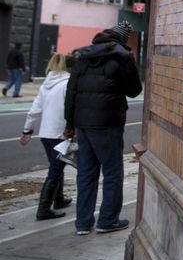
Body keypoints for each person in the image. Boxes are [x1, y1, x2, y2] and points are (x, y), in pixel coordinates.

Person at [64, 21, 142, 235]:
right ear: (122, 39)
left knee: (86, 173)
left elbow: (71, 92)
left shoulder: (82, 55)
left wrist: (69, 124)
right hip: (108, 122)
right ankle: (107, 220)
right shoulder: (122, 56)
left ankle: (82, 223)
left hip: (83, 123)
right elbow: (135, 90)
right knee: (112, 171)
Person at [20, 53, 73, 220]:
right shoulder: (68, 83)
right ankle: (43, 209)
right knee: (55, 171)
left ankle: (59, 199)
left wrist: (27, 131)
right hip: (60, 134)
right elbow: (71, 109)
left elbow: (34, 110)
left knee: (56, 165)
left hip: (45, 134)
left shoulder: (46, 85)